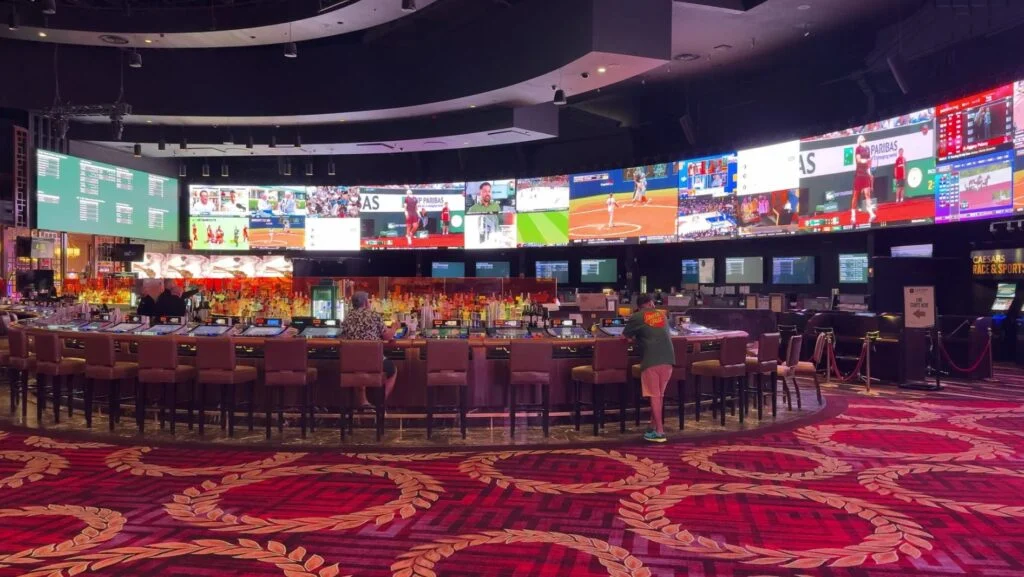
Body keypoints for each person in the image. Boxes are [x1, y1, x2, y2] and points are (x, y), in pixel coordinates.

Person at [624, 294, 674, 443]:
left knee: (655, 396)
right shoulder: (662, 315)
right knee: (659, 396)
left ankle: (660, 432)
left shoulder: (637, 316)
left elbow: (625, 336)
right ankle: (652, 427)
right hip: (669, 360)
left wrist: (635, 338)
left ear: (639, 306)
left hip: (651, 360)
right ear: (651, 303)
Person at [339, 292, 398, 405]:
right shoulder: (374, 316)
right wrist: (395, 327)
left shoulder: (347, 318)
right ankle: (380, 403)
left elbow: (342, 336)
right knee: (393, 369)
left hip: (351, 363)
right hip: (373, 363)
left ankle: (363, 402)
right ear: (366, 303)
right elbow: (387, 336)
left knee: (359, 366)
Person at [851, 134, 876, 224]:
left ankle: (871, 214)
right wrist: (866, 161)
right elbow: (858, 160)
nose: (864, 142)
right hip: (859, 175)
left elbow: (869, 163)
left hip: (865, 175)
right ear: (859, 142)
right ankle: (853, 217)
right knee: (855, 196)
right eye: (863, 140)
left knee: (867, 194)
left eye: (865, 140)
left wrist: (869, 172)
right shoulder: (857, 149)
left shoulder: (868, 149)